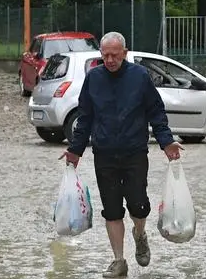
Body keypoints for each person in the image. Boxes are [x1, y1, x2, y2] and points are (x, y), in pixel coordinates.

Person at [59, 31, 183, 278]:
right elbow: (85, 118)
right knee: (112, 210)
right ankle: (118, 260)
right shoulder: (94, 78)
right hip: (104, 155)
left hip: (135, 153)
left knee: (138, 205)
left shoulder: (139, 77)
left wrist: (166, 142)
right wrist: (75, 150)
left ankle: (140, 234)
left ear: (124, 53)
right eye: (105, 55)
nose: (110, 59)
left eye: (114, 55)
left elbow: (156, 112)